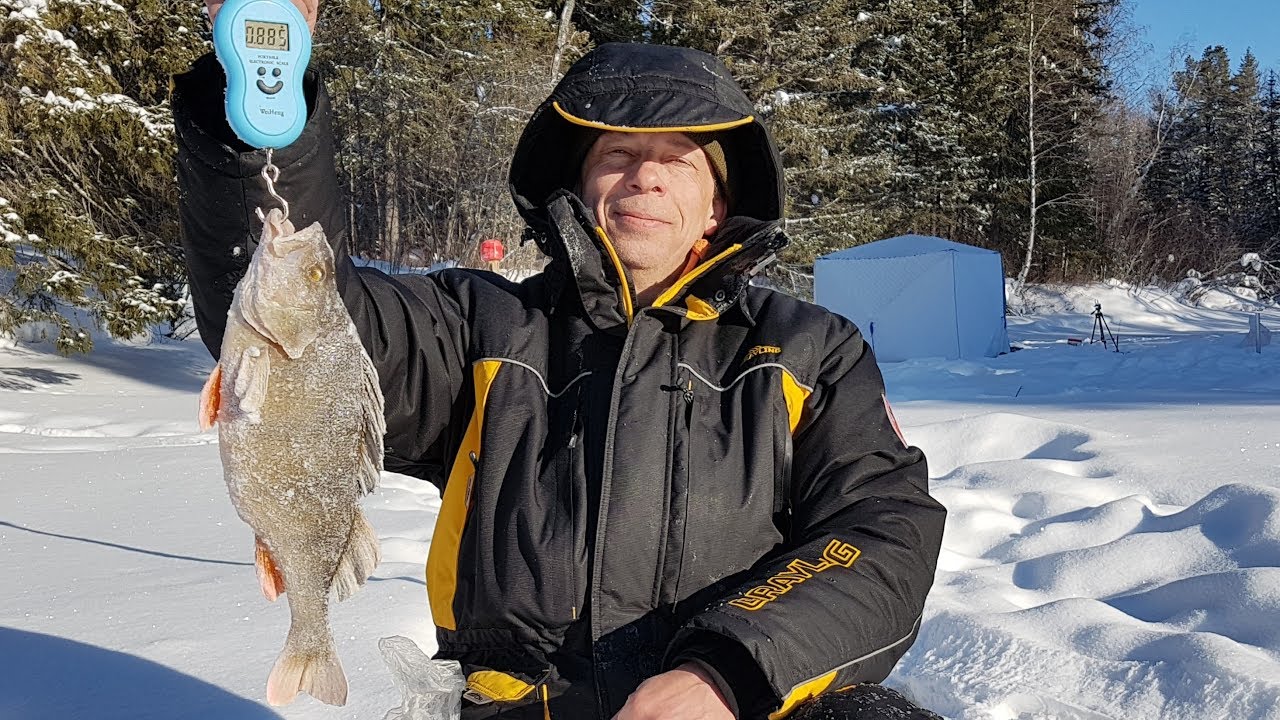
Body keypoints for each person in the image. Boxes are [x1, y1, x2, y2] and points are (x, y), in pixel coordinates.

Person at [175, 4, 947, 717]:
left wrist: (728, 670)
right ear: (578, 187)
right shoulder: (482, 326)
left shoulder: (809, 350)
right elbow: (310, 318)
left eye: (678, 160)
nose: (643, 175)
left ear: (716, 205)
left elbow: (883, 529)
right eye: (616, 152)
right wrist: (264, 111)